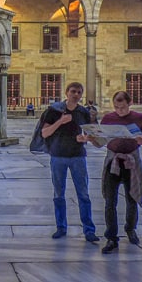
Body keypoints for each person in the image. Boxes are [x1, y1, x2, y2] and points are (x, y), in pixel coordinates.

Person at [87, 90, 142, 254]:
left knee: (132, 199)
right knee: (110, 202)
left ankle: (130, 228)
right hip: (113, 162)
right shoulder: (108, 118)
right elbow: (100, 143)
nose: (119, 110)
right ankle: (111, 237)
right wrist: (91, 138)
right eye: (116, 107)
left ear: (130, 104)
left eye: (122, 107)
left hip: (131, 161)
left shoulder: (138, 118)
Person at [41, 82, 99, 242]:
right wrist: (60, 121)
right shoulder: (55, 110)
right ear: (66, 92)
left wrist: (85, 138)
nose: (76, 94)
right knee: (59, 194)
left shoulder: (83, 112)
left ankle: (89, 230)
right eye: (73, 91)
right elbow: (45, 133)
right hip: (58, 155)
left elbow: (92, 135)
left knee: (83, 194)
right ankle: (61, 227)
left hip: (78, 156)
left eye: (79, 92)